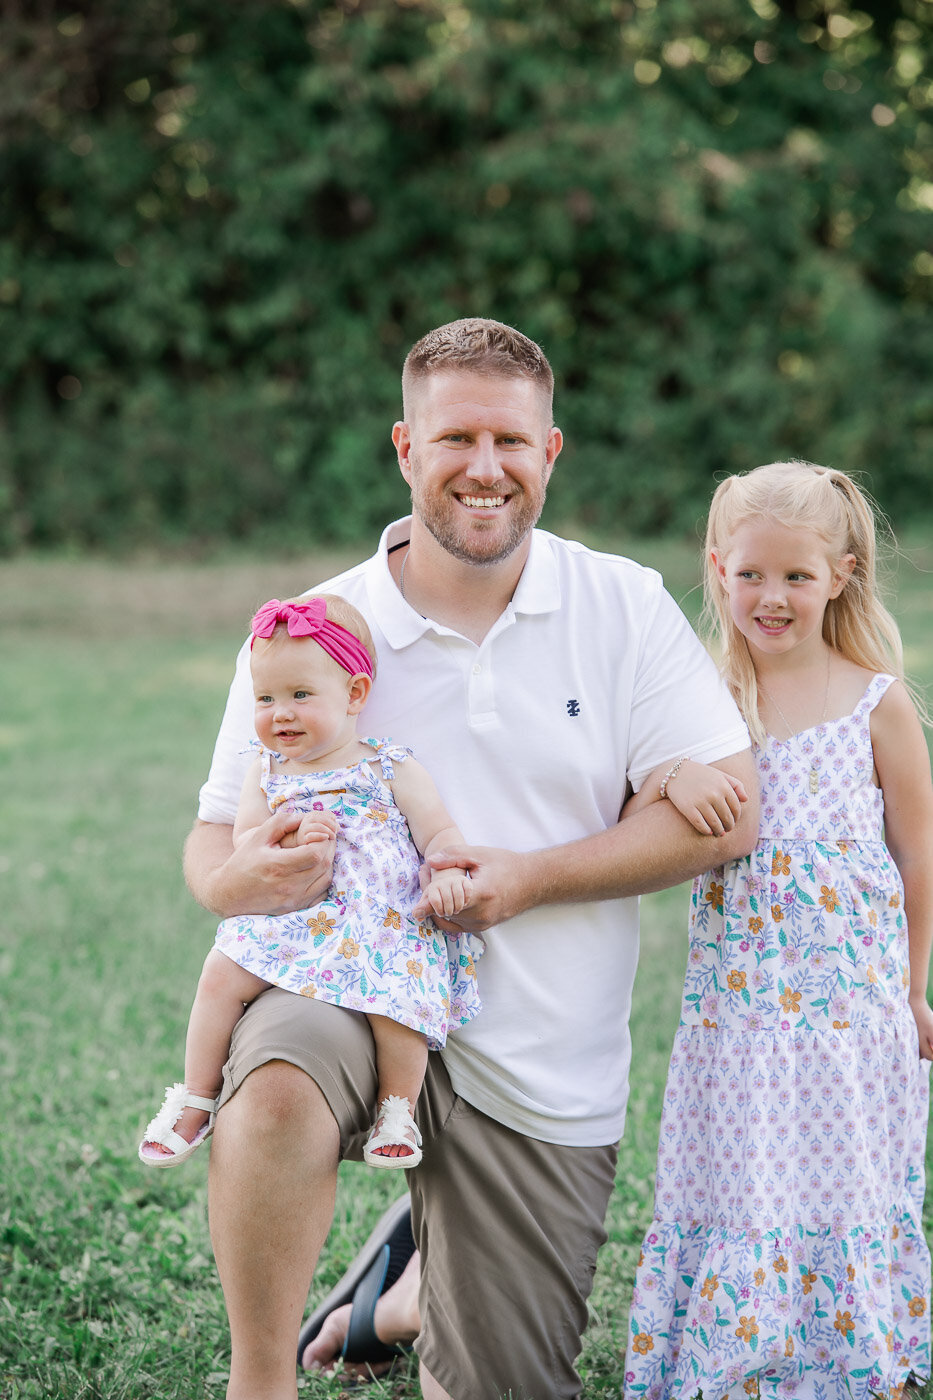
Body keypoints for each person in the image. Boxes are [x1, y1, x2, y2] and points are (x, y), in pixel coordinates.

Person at [185, 317, 759, 1400]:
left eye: (510, 441)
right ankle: (259, 1376)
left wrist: (528, 879)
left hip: (542, 1060)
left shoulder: (622, 604)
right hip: (350, 986)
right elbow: (215, 834)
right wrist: (238, 879)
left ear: (550, 454)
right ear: (407, 449)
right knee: (271, 1087)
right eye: (455, 440)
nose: (483, 468)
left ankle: (401, 1286)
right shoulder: (315, 626)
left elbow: (729, 814)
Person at [624, 461, 933, 1400]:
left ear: (839, 574)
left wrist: (914, 992)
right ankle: (738, 1363)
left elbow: (918, 856)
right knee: (746, 1188)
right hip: (740, 1018)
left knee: (846, 1187)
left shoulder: (876, 702)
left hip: (853, 1018)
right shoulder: (699, 700)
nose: (770, 597)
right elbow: (634, 799)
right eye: (750, 573)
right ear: (716, 568)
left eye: (796, 576)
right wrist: (674, 777)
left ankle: (854, 1360)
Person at [140, 593, 480, 1172]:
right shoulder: (265, 771)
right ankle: (196, 1095)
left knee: (395, 1000)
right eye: (266, 698)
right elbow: (248, 841)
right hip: (298, 919)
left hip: (382, 918)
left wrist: (447, 870)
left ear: (355, 695)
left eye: (300, 695)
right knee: (221, 971)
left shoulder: (386, 766)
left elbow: (440, 831)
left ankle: (397, 1109)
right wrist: (287, 835)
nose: (281, 714)